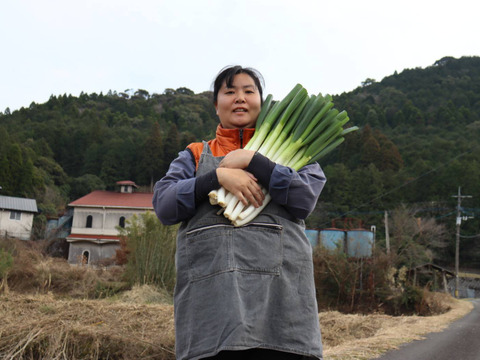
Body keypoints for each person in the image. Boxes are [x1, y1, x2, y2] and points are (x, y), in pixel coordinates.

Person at [153, 65, 326, 360]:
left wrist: (254, 161)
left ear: (262, 102)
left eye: (249, 91)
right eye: (229, 91)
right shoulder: (194, 154)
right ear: (216, 106)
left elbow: (304, 199)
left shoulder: (299, 155)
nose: (240, 98)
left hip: (282, 307)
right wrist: (216, 178)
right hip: (212, 309)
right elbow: (165, 205)